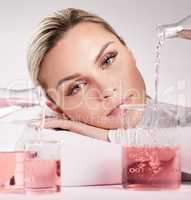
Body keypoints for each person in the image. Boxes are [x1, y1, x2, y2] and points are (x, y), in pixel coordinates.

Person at [27, 8, 191, 179]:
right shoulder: (47, 137)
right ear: (56, 108)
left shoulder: (181, 120)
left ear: (129, 52)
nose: (106, 89)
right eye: (76, 87)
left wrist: (110, 138)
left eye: (108, 60)